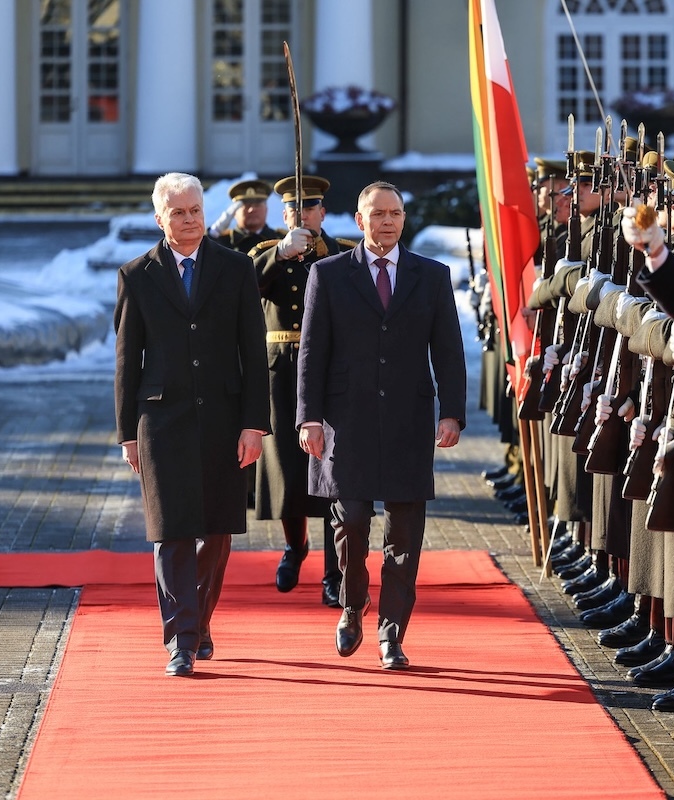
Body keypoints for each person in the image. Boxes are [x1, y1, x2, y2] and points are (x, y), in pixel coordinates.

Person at [296, 180, 467, 670]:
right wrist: (307, 417)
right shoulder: (328, 276)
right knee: (350, 521)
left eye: (395, 213)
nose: (387, 221)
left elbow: (449, 349)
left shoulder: (431, 276)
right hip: (344, 422)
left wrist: (451, 412)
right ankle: (352, 606)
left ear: (403, 220)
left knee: (404, 534)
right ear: (359, 220)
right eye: (378, 214)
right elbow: (311, 352)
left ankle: (392, 633)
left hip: (408, 422)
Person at [114, 172, 269, 677]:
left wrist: (254, 424)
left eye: (195, 210)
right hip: (160, 421)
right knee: (172, 531)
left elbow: (252, 350)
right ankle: (181, 639)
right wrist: (126, 433)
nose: (189, 219)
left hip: (224, 420)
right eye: (178, 212)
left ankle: (198, 621)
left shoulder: (236, 268)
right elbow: (126, 362)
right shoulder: (137, 275)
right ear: (160, 218)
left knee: (218, 532)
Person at [251, 175, 351, 606]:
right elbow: (242, 289)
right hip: (280, 373)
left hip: (330, 374)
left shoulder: (344, 253)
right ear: (284, 215)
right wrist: (280, 252)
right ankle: (295, 547)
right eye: (293, 209)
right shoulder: (263, 254)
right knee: (289, 471)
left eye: (309, 209)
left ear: (323, 213)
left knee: (331, 470)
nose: (302, 215)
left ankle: (335, 570)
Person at [209, 178, 284, 255]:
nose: (251, 209)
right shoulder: (221, 241)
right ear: (234, 211)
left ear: (266, 209)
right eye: (246, 205)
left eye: (257, 205)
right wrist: (215, 232)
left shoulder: (280, 240)